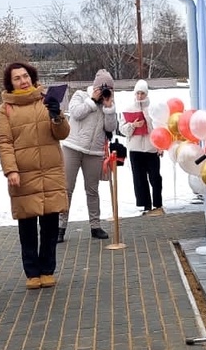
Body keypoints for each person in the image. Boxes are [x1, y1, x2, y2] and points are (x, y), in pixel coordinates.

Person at [0, 61, 71, 289]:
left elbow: (62, 134)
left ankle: (47, 269)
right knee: (27, 226)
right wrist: (11, 170)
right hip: (23, 174)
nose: (23, 80)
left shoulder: (46, 100)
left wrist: (58, 117)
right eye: (17, 78)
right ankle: (32, 272)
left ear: (32, 76)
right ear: (11, 83)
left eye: (25, 76)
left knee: (49, 224)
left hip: (49, 170)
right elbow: (4, 142)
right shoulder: (5, 109)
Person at [60, 67, 118, 241]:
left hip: (94, 151)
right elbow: (76, 114)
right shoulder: (80, 95)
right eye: (102, 88)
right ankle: (60, 227)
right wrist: (92, 100)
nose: (104, 91)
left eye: (109, 88)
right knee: (66, 188)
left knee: (92, 190)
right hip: (72, 147)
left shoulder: (109, 103)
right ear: (95, 87)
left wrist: (109, 108)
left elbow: (110, 128)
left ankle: (95, 226)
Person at [120, 79, 164, 215]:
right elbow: (122, 129)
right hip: (135, 149)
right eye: (138, 93)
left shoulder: (153, 108)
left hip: (151, 149)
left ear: (147, 94)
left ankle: (158, 204)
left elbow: (160, 128)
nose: (140, 96)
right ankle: (146, 205)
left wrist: (160, 145)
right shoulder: (128, 108)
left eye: (142, 94)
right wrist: (133, 125)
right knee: (139, 179)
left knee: (155, 178)